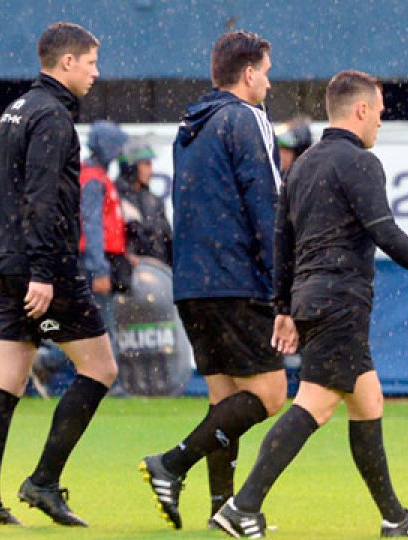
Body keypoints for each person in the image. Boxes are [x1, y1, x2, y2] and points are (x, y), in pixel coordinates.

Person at [212, 70, 408, 538]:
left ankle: (394, 518)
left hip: (314, 300)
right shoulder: (360, 163)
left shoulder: (303, 165)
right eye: (381, 112)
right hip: (340, 302)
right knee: (313, 404)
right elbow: (385, 232)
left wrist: (285, 306)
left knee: (367, 400)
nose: (382, 122)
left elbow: (281, 242)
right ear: (361, 110)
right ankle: (242, 506)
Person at [138, 30, 288, 529]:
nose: (268, 80)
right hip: (236, 280)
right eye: (265, 70)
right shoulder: (248, 119)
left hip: (192, 282)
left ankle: (222, 510)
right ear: (248, 73)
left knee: (225, 400)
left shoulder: (191, 124)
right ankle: (172, 463)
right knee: (269, 394)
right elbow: (266, 205)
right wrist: (282, 283)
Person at [0, 22, 117, 527]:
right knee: (101, 368)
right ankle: (43, 482)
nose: (96, 73)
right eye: (92, 62)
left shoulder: (14, 111)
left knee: (5, 383)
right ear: (66, 63)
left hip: (4, 263)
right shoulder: (53, 116)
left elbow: (6, 191)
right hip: (43, 268)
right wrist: (42, 270)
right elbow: (40, 196)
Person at [79, 120, 130, 353]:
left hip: (95, 260)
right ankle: (48, 361)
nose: (120, 152)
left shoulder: (95, 175)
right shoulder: (92, 178)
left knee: (92, 327)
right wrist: (99, 270)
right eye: (117, 146)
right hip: (94, 262)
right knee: (101, 327)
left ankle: (49, 361)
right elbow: (92, 225)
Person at [116, 137, 173, 266]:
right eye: (146, 164)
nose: (151, 171)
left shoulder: (154, 201)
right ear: (132, 167)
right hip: (129, 277)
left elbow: (168, 241)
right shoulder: (115, 198)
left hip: (159, 275)